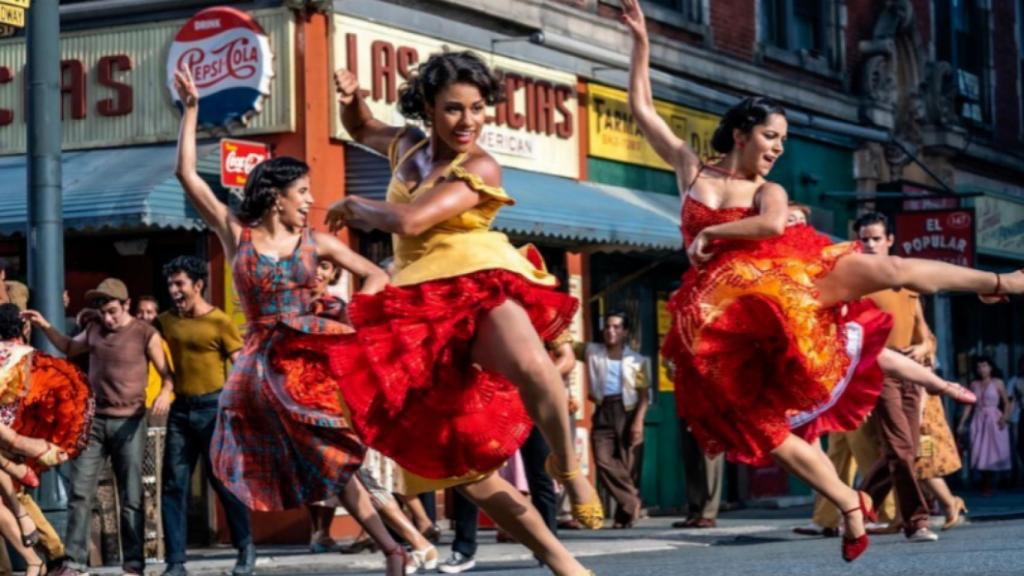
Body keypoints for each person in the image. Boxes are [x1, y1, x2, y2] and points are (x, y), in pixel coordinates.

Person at [620, 0, 1021, 562]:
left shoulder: (770, 192)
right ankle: (850, 505)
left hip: (788, 284)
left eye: (783, 139)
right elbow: (643, 111)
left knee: (891, 270)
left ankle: (1003, 282)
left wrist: (714, 237)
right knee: (764, 432)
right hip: (723, 322)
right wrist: (640, 44)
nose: (778, 148)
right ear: (739, 134)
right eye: (770, 136)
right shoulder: (692, 169)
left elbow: (769, 223)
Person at [272, 52, 601, 576]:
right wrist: (353, 96)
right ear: (427, 108)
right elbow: (361, 126)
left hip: (474, 277)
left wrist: (356, 206)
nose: (468, 121)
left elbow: (412, 219)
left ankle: (568, 465)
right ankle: (564, 562)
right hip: (415, 305)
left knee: (537, 367)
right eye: (453, 109)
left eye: (477, 108)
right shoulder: (406, 147)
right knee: (466, 470)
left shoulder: (480, 165)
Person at [171, 66, 408, 575]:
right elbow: (188, 176)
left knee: (333, 457)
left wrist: (350, 321)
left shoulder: (316, 243)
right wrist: (191, 112)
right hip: (256, 365)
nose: (309, 202)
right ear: (277, 195)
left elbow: (375, 276)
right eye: (302, 192)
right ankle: (247, 538)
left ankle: (393, 547)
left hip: (308, 361)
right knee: (239, 446)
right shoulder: (236, 233)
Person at [23, 278, 173, 576]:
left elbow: (167, 373)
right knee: (80, 493)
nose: (108, 318)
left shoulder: (145, 333)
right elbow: (68, 346)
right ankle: (74, 562)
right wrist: (44, 325)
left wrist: (165, 393)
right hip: (94, 422)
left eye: (113, 311)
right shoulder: (94, 329)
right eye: (103, 312)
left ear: (126, 305)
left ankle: (133, 563)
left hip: (130, 422)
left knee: (131, 496)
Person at [154, 256, 255, 576]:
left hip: (214, 409)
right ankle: (176, 562)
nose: (174, 290)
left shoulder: (219, 322)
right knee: (173, 485)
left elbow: (240, 364)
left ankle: (246, 547)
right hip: (181, 410)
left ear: (198, 285)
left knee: (224, 484)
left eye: (180, 284)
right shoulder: (166, 321)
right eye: (170, 284)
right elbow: (139, 335)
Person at [0, 303, 92, 576]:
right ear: (24, 328)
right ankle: (49, 557)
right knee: (12, 495)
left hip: (10, 438)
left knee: (12, 496)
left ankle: (47, 557)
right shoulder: (33, 359)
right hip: (19, 434)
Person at [584, 311, 650, 529]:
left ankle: (624, 516)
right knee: (603, 460)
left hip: (628, 410)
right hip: (603, 409)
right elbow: (565, 345)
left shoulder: (638, 361)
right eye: (607, 327)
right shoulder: (593, 352)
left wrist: (638, 422)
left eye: (616, 327)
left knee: (628, 463)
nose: (610, 331)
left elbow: (643, 396)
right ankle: (633, 500)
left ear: (625, 332)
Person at [958, 356, 1012, 495]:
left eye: (985, 366)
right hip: (978, 418)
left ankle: (991, 482)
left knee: (993, 449)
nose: (982, 369)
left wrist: (1005, 417)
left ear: (991, 367)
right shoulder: (974, 384)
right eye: (979, 367)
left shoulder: (998, 382)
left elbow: (1006, 402)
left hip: (993, 418)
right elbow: (969, 405)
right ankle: (983, 481)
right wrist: (962, 423)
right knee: (978, 449)